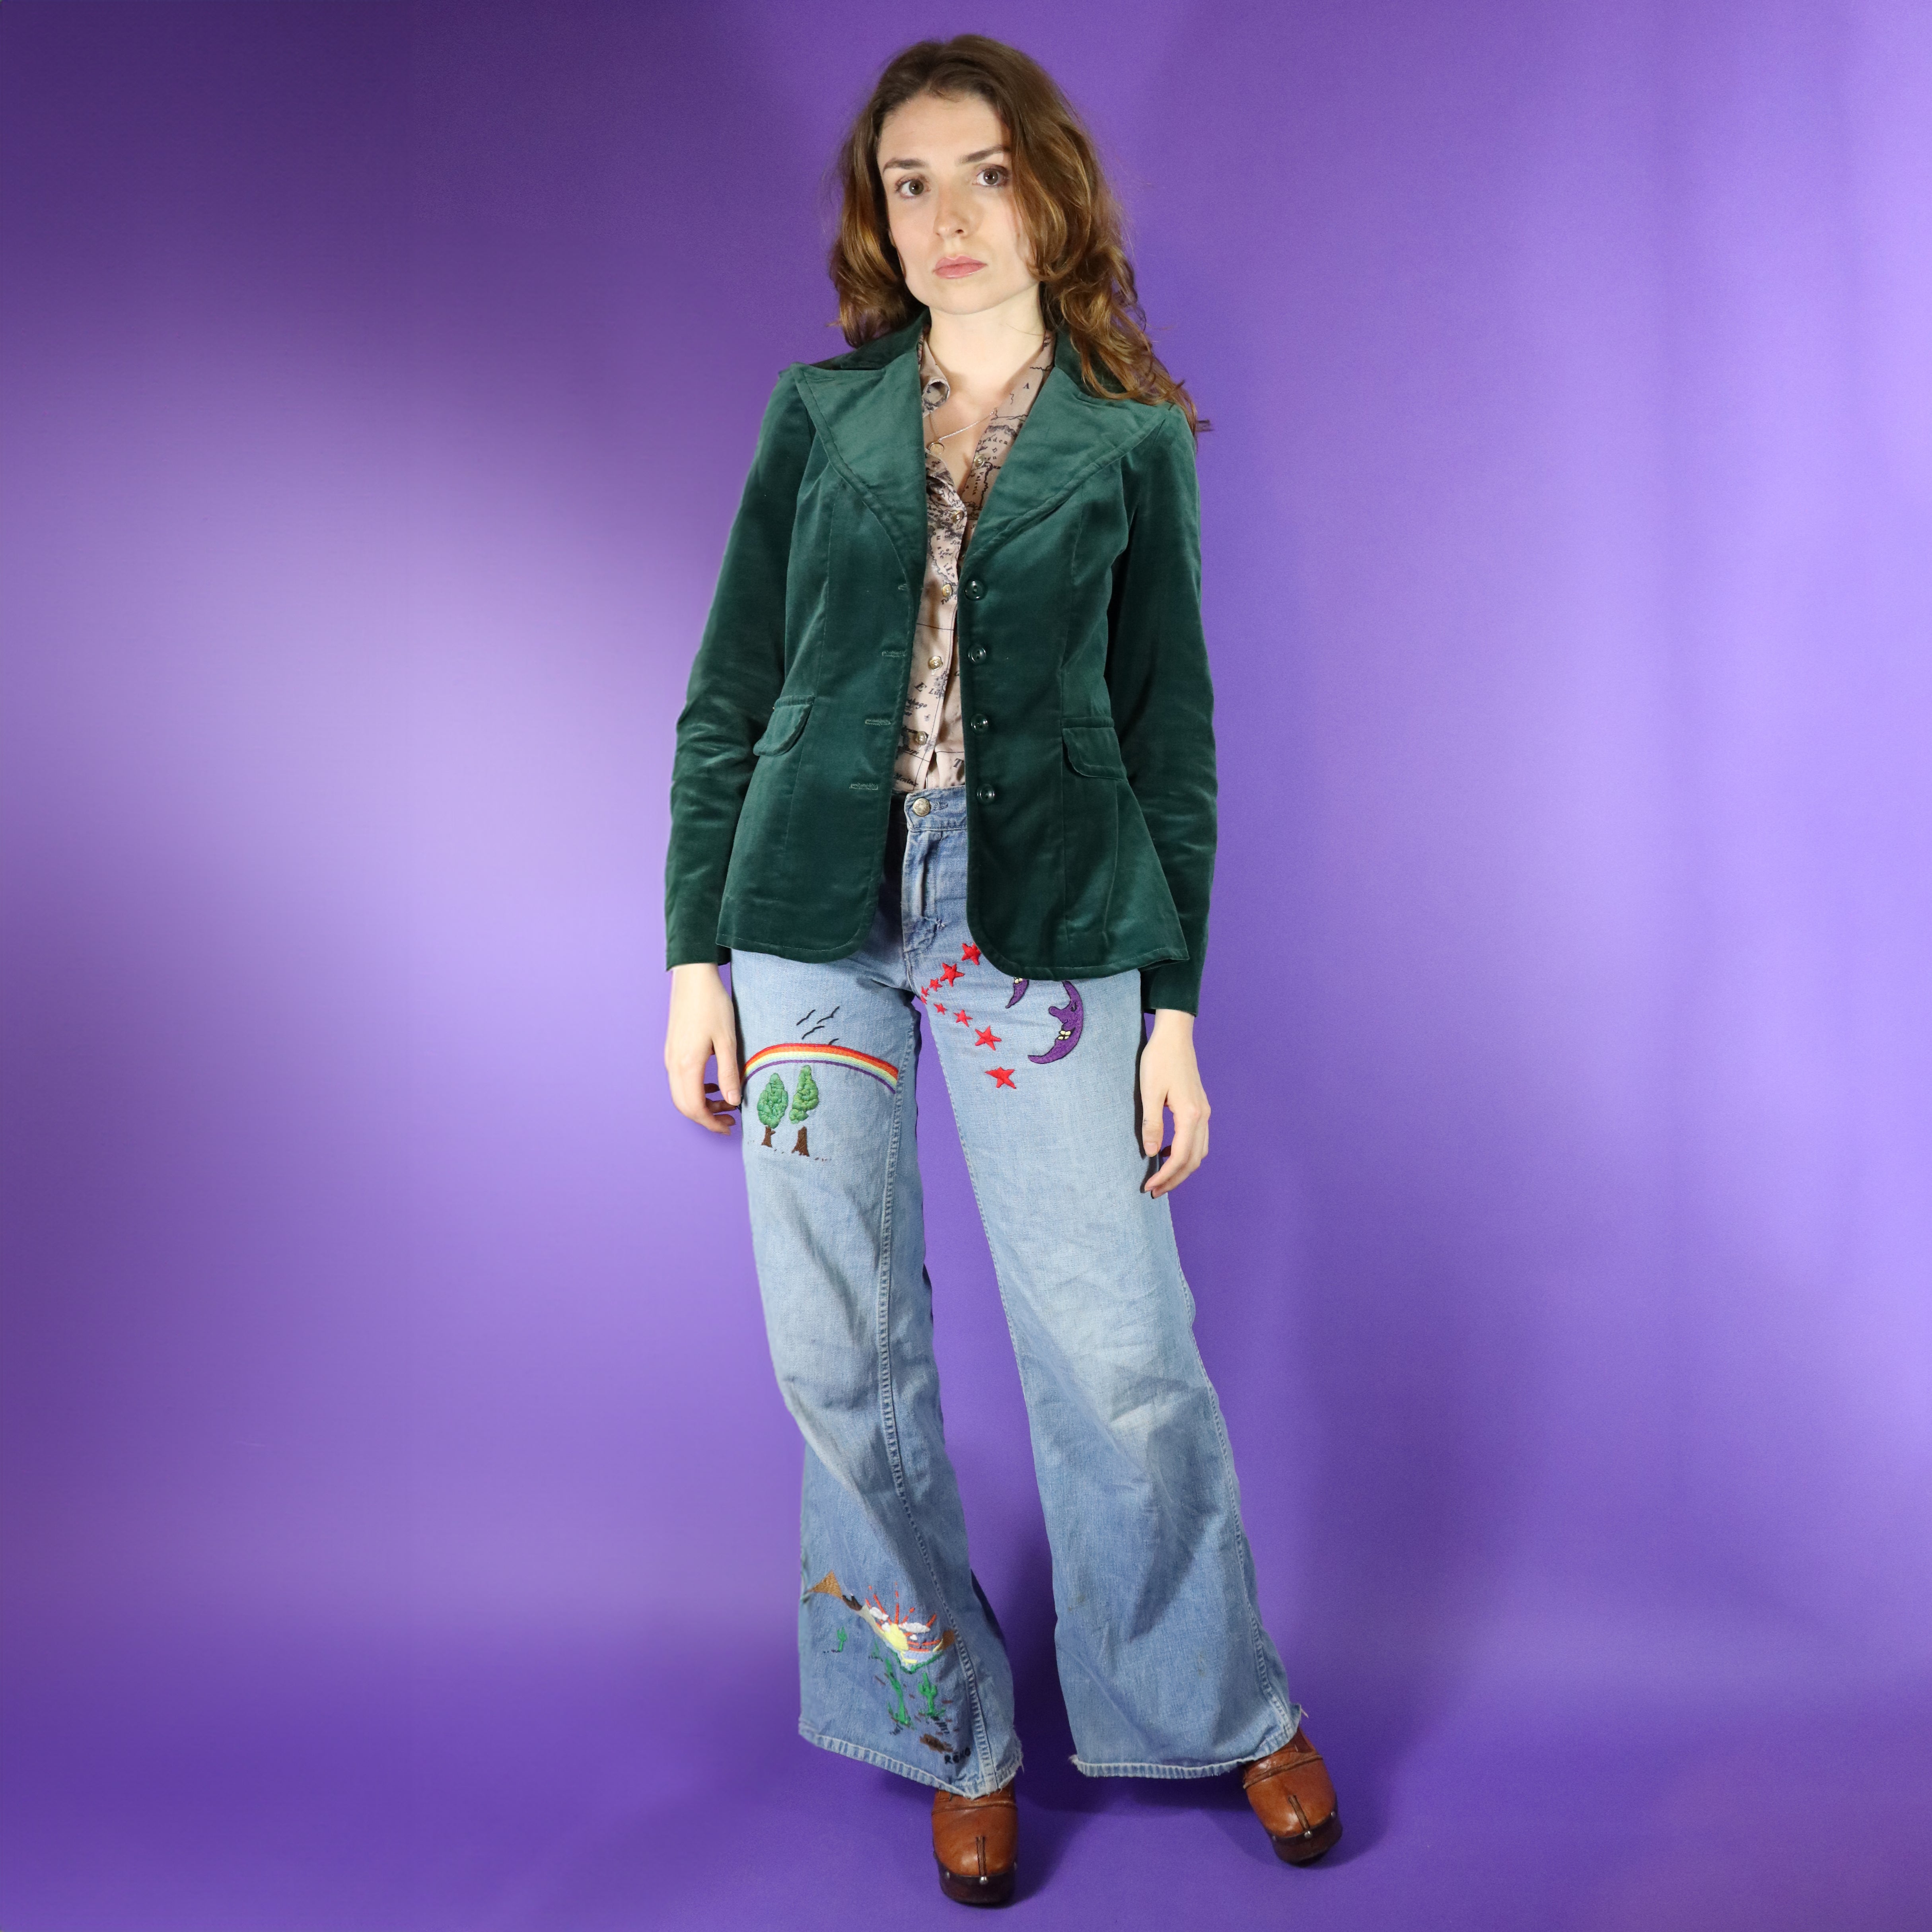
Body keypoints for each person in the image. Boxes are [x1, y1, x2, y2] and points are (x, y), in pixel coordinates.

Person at [662, 33, 1339, 1907]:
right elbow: (728, 698)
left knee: (1116, 1347)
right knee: (840, 1350)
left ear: (1049, 189)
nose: (948, 215)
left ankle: (1215, 1704)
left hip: (1039, 915)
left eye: (984, 172)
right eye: (910, 183)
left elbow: (1174, 741)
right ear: (877, 217)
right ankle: (944, 1725)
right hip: (807, 918)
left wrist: (1175, 1012)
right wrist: (694, 957)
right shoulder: (819, 419)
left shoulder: (1131, 444)